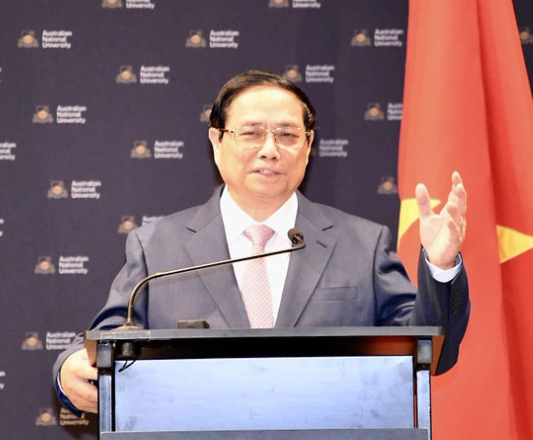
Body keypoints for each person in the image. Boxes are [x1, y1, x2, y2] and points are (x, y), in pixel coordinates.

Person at [54, 69, 469, 415]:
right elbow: (109, 337)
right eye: (251, 132)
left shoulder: (362, 244)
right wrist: (68, 366)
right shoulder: (157, 246)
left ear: (308, 147)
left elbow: (428, 352)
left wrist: (441, 266)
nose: (270, 150)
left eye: (287, 135)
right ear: (217, 142)